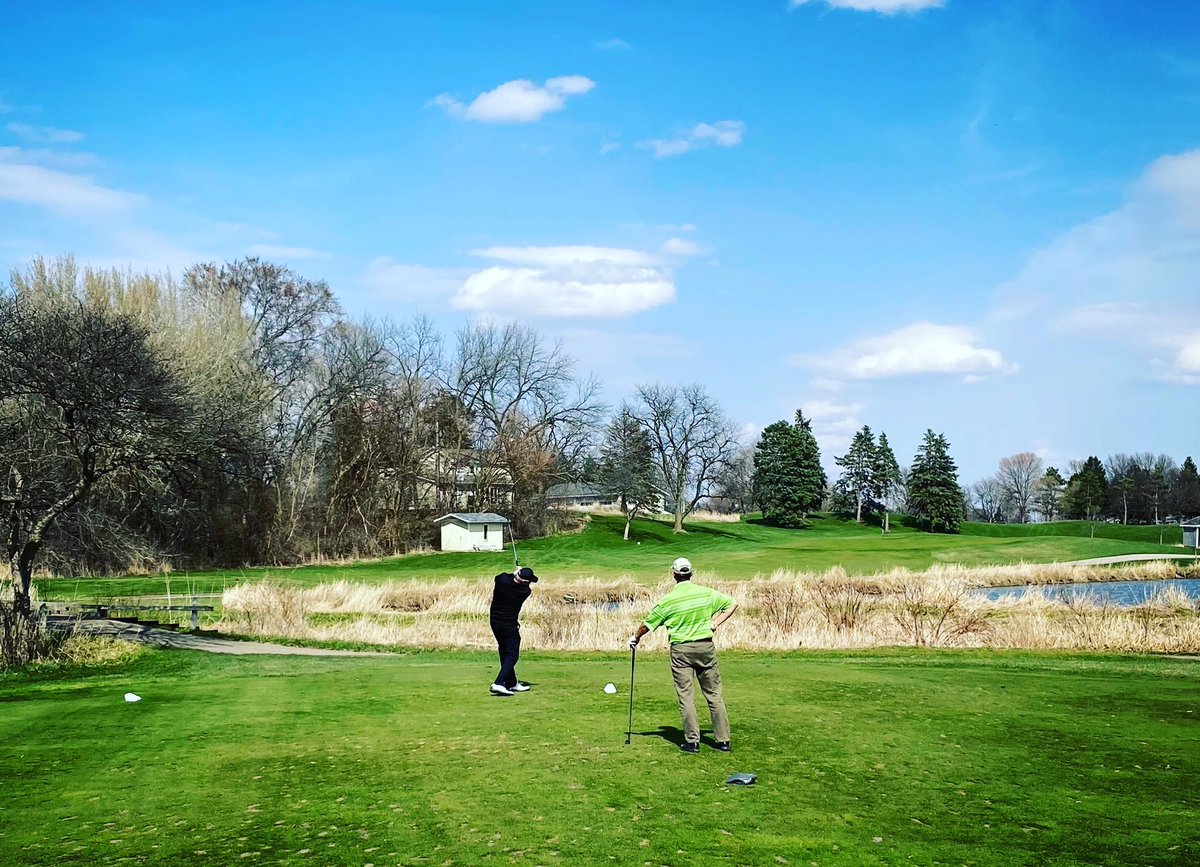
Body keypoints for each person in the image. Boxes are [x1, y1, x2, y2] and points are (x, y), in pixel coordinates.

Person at [629, 557, 737, 753]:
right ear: (691, 574)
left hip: (681, 651)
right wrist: (715, 623)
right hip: (705, 648)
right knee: (714, 696)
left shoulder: (669, 600)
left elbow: (648, 624)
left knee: (686, 696)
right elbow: (732, 603)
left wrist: (635, 637)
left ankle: (692, 742)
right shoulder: (706, 594)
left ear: (674, 574)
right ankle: (723, 741)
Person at [489, 565, 537, 696]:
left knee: (504, 650)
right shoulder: (524, 592)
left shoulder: (502, 580)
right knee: (512, 654)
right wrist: (518, 575)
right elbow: (521, 584)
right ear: (525, 582)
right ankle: (499, 683)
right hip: (508, 624)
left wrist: (515, 572)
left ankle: (511, 683)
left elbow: (504, 577)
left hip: (495, 622)